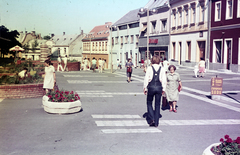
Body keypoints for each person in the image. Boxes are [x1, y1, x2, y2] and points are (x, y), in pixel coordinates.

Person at [143, 56, 166, 127]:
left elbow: (146, 78)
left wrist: (145, 88)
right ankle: (156, 122)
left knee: (149, 103)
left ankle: (152, 118)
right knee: (157, 105)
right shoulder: (162, 69)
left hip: (151, 87)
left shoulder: (149, 68)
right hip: (159, 87)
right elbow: (164, 80)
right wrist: (164, 89)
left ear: (152, 61)